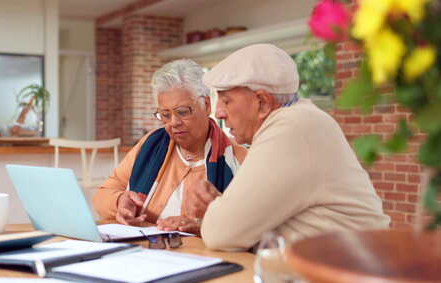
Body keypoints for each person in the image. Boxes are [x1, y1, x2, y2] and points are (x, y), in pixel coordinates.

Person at [188, 44, 390, 251]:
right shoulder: (300, 119)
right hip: (339, 268)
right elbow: (247, 225)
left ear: (263, 102)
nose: (219, 113)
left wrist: (215, 213)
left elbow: (221, 234)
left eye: (226, 101)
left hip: (353, 274)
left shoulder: (291, 127)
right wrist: (222, 212)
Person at [93, 59, 247, 234]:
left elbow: (248, 227)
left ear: (207, 105)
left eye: (182, 112)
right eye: (165, 115)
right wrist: (120, 201)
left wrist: (204, 226)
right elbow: (103, 195)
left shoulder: (239, 159)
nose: (173, 123)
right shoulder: (151, 143)